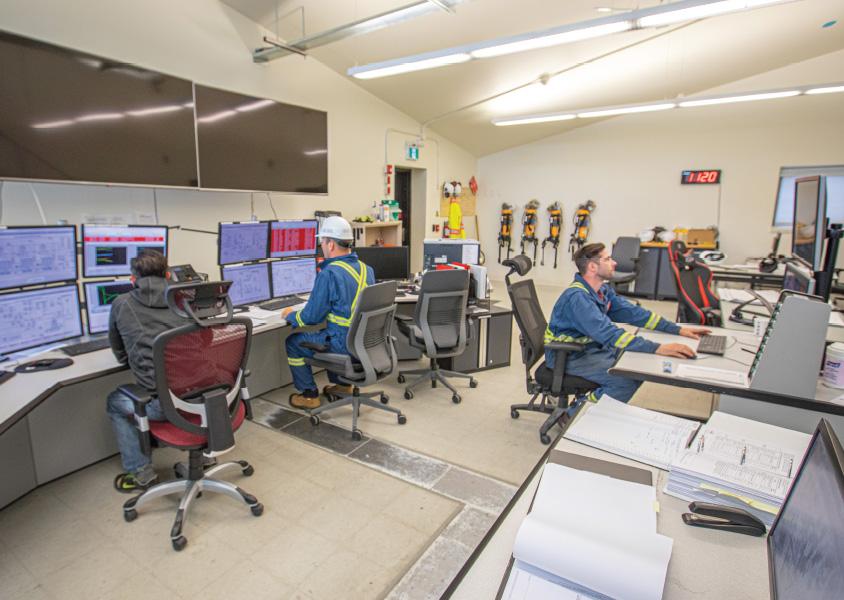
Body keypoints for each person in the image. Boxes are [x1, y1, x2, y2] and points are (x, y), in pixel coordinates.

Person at [546, 242, 710, 403]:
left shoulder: (601, 291)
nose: (615, 262)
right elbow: (610, 335)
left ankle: (593, 405)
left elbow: (634, 313)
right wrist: (658, 348)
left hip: (591, 348)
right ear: (592, 267)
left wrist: (677, 329)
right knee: (624, 382)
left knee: (636, 369)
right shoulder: (578, 299)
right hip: (569, 355)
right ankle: (573, 413)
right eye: (608, 259)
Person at [107, 250, 187, 492]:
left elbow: (121, 355)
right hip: (200, 394)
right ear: (168, 274)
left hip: (163, 405)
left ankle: (141, 472)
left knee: (115, 401)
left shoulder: (121, 304)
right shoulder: (184, 298)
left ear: (133, 279)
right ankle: (204, 456)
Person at [281, 216, 374, 410]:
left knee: (293, 342)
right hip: (364, 343)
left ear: (330, 244)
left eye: (322, 241)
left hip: (342, 344)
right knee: (328, 334)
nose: (321, 245)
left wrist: (291, 315)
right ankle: (343, 386)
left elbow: (311, 317)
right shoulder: (368, 269)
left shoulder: (329, 273)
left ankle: (309, 395)